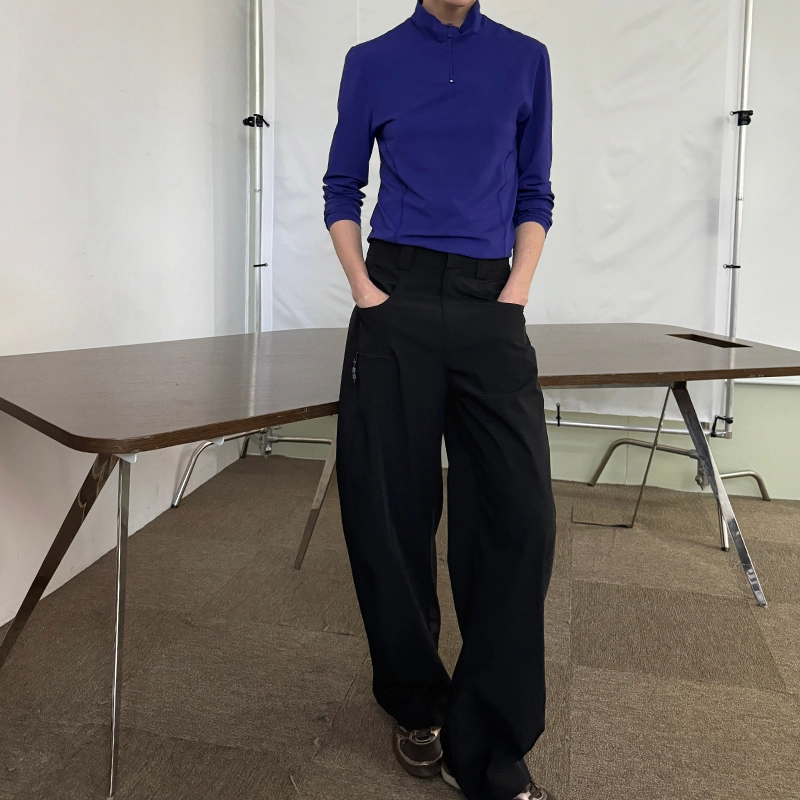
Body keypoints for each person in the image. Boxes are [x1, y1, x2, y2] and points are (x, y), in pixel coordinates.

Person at [321, 1, 557, 798]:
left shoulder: (525, 58)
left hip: (492, 299)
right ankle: (416, 698)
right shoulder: (371, 61)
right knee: (388, 512)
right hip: (397, 295)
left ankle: (485, 736)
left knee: (518, 517)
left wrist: (515, 294)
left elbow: (535, 189)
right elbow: (342, 187)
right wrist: (367, 292)